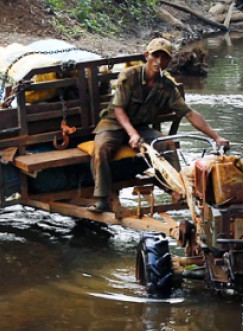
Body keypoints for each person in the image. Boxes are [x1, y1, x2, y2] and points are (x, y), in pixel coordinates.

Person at [89, 37, 230, 213]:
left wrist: (216, 137)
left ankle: (177, 190)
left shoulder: (167, 86)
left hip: (141, 127)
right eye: (155, 56)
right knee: (101, 148)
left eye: (164, 57)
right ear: (146, 55)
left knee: (167, 144)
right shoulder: (130, 76)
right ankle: (102, 198)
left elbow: (190, 113)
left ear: (169, 61)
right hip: (114, 124)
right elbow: (118, 109)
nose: (159, 61)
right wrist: (132, 134)